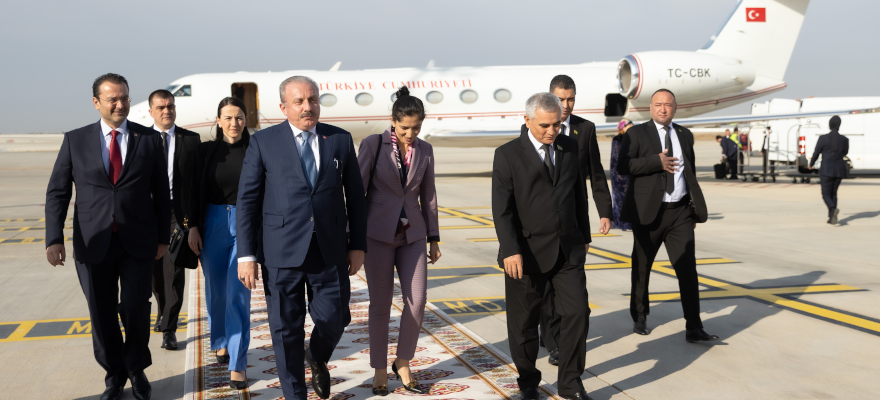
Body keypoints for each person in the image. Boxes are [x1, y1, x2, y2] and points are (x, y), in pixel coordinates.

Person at [235, 76, 367, 400]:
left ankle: (317, 356)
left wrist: (358, 245)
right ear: (283, 107)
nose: (308, 107)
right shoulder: (263, 142)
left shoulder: (339, 139)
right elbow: (248, 201)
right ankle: (296, 395)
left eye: (313, 100)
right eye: (299, 102)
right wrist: (246, 255)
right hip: (280, 252)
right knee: (285, 332)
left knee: (336, 318)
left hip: (329, 250)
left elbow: (356, 196)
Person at [45, 73, 170, 400]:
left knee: (135, 307)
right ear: (96, 102)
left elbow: (161, 193)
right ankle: (114, 374)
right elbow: (58, 192)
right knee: (101, 314)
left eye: (125, 98)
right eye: (112, 99)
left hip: (138, 242)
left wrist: (162, 238)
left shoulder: (148, 139)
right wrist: (53, 238)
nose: (120, 104)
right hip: (92, 241)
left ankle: (137, 368)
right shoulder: (75, 140)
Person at [493, 92, 593, 400]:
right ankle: (528, 382)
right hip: (525, 253)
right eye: (545, 126)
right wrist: (510, 249)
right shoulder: (507, 154)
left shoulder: (569, 146)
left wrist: (584, 236)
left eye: (557, 125)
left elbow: (578, 194)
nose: (552, 131)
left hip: (567, 249)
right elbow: (502, 209)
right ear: (527, 120)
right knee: (524, 324)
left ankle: (571, 383)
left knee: (578, 312)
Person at [617, 89, 719, 343]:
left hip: (680, 213)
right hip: (648, 214)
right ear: (650, 107)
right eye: (658, 104)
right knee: (642, 267)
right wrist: (656, 162)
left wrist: (693, 211)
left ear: (675, 108)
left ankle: (694, 326)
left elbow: (690, 174)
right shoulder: (636, 134)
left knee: (688, 270)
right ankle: (640, 316)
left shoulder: (685, 135)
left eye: (668, 105)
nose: (663, 109)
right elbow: (623, 166)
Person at [357, 86, 440, 396]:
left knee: (417, 300)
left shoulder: (425, 150)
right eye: (405, 127)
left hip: (413, 235)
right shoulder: (372, 145)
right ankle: (379, 367)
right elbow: (357, 192)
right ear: (392, 121)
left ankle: (402, 362)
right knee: (380, 304)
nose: (410, 134)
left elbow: (428, 195)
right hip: (377, 236)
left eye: (416, 128)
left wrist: (434, 237)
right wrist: (353, 237)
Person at [540, 75, 611, 366]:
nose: (566, 105)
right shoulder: (537, 127)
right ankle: (552, 339)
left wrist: (604, 211)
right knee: (547, 288)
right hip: (544, 222)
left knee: (572, 284)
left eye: (571, 99)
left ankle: (561, 340)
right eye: (561, 99)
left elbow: (596, 173)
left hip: (574, 220)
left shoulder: (586, 129)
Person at [186, 97, 252, 389]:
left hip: (246, 224)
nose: (233, 123)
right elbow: (191, 190)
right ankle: (221, 340)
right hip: (211, 223)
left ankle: (238, 363)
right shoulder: (204, 152)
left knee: (238, 293)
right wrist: (193, 226)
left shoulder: (255, 150)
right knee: (216, 292)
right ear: (218, 120)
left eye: (239, 117)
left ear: (246, 120)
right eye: (228, 117)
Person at [147, 89, 200, 351]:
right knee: (155, 273)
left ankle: (169, 328)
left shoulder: (191, 140)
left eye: (170, 106)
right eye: (161, 107)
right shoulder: (140, 139)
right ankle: (162, 310)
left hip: (177, 215)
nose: (167, 111)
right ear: (151, 112)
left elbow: (197, 184)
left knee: (174, 270)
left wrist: (193, 221)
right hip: (147, 214)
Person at [809, 116, 849, 224]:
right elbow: (845, 152)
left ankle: (832, 208)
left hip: (826, 170)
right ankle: (832, 218)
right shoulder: (844, 139)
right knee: (833, 193)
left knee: (826, 194)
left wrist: (811, 164)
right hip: (839, 169)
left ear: (830, 124)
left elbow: (817, 152)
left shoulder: (823, 138)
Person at [610, 119, 633, 231]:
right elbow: (618, 155)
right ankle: (624, 224)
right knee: (621, 199)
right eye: (629, 127)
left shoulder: (634, 138)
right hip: (619, 175)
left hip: (631, 172)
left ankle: (629, 222)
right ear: (623, 128)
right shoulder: (617, 140)